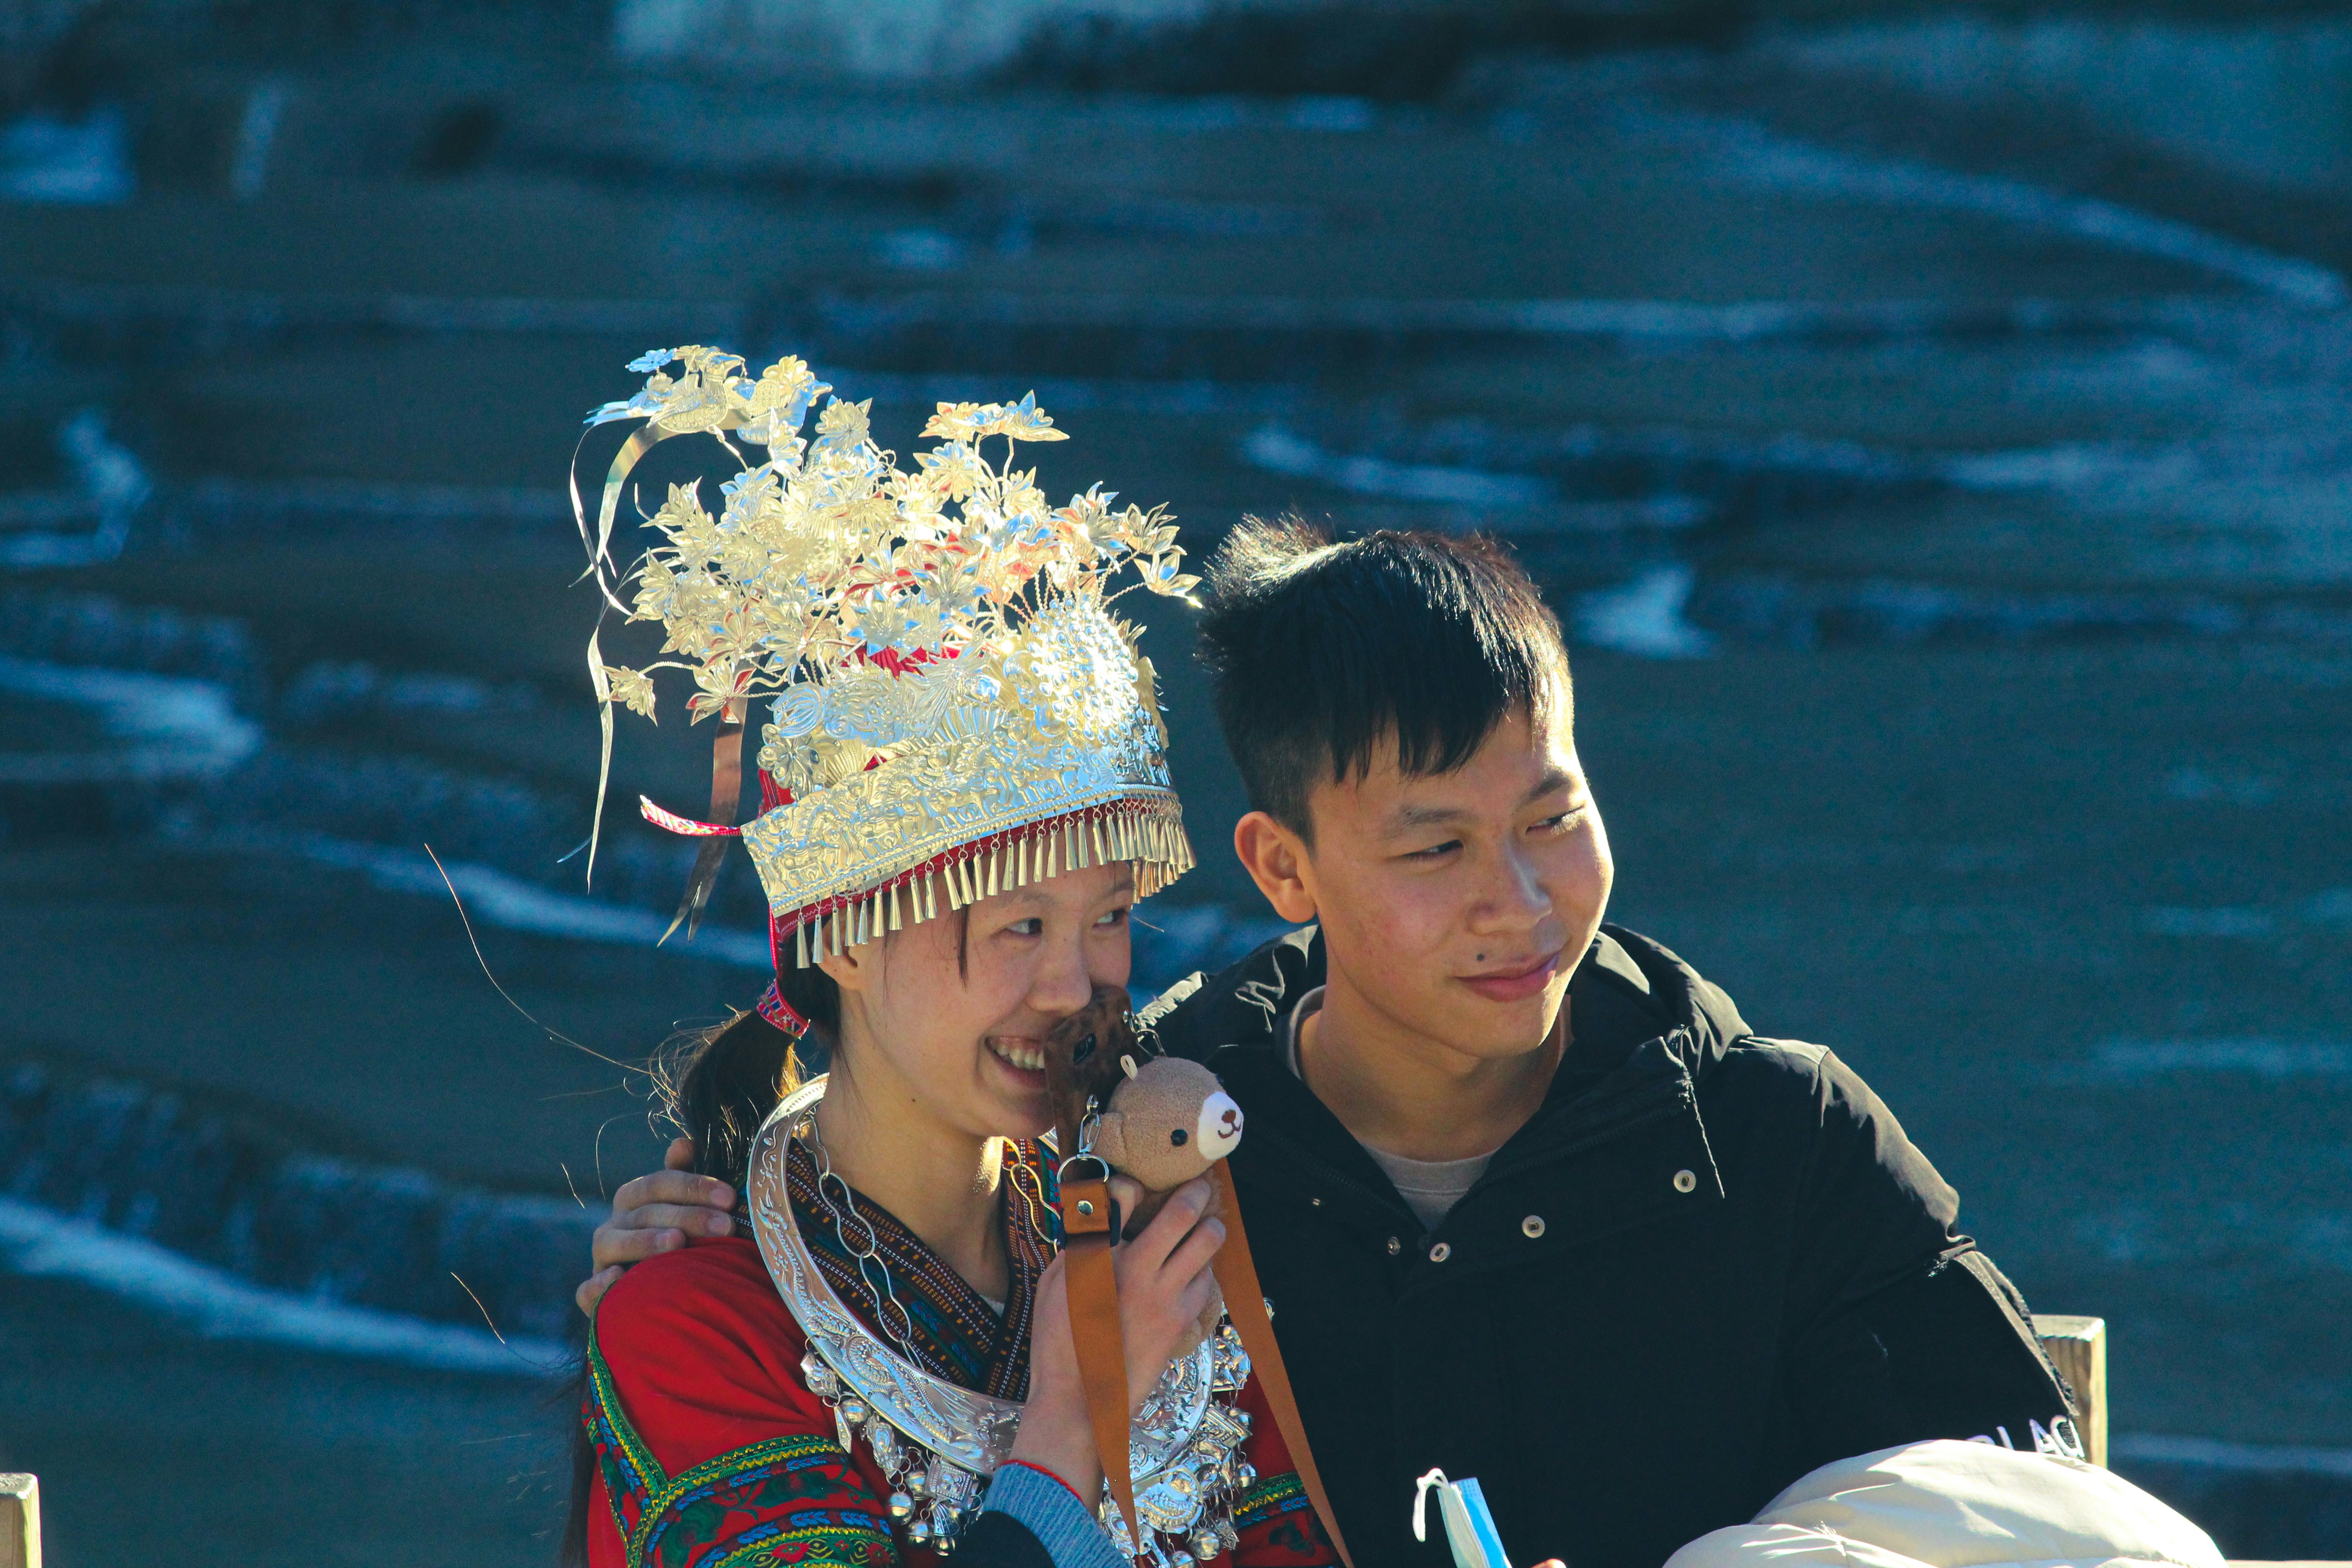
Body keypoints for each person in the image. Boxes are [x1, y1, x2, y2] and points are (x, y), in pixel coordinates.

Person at [589, 518, 2079, 1568]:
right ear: (1282, 871)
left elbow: (2038, 1516)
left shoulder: (1776, 1145)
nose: (1073, 988)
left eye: (1554, 820)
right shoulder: (1185, 1194)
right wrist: (1058, 1430)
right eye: (1435, 850)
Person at [560, 348, 1338, 1568]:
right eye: (1017, 924)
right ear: (843, 936)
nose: (1080, 986)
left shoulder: (1159, 1242)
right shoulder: (697, 1323)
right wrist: (1076, 1418)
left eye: (1110, 917)